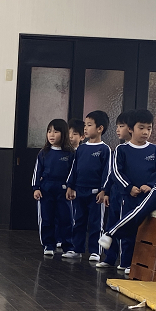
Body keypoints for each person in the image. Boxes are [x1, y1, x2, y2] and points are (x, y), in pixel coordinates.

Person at [103, 109, 156, 274]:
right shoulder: (121, 150)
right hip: (127, 197)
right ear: (131, 129)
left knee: (145, 231)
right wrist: (129, 187)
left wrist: (150, 185)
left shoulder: (155, 150)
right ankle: (125, 263)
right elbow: (116, 172)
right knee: (126, 229)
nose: (145, 132)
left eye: (149, 128)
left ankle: (138, 263)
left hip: (147, 199)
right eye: (141, 128)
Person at [64, 111, 111, 261]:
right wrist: (70, 186)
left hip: (96, 194)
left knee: (96, 223)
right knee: (78, 221)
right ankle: (76, 249)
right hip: (79, 191)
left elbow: (107, 172)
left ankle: (95, 251)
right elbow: (74, 169)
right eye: (85, 125)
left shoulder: (105, 149)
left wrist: (104, 190)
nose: (85, 128)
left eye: (89, 125)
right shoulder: (81, 149)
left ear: (100, 128)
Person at [96, 110, 133, 269]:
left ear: (131, 128)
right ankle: (109, 258)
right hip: (116, 193)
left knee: (125, 227)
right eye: (117, 126)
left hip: (130, 195)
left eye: (121, 126)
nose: (117, 130)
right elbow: (113, 173)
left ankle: (125, 262)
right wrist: (106, 191)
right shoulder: (119, 149)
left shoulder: (137, 150)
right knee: (111, 224)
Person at [32, 119, 74, 257]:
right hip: (46, 189)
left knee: (66, 218)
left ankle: (68, 246)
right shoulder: (43, 153)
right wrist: (36, 187)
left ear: (64, 134)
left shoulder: (70, 153)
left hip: (63, 190)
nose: (51, 134)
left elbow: (73, 173)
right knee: (47, 218)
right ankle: (48, 245)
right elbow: (37, 171)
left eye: (56, 131)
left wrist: (71, 187)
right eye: (49, 131)